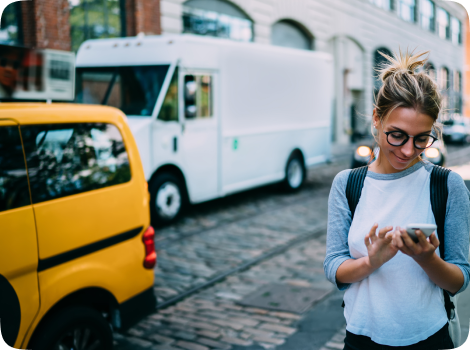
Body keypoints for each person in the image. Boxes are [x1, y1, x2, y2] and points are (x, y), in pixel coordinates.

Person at [323, 50, 470, 349]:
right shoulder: (348, 184)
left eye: (421, 139)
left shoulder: (446, 184)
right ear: (377, 119)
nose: (407, 150)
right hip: (361, 338)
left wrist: (426, 259)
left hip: (430, 339)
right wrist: (371, 262)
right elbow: (334, 266)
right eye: (397, 135)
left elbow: (460, 279)